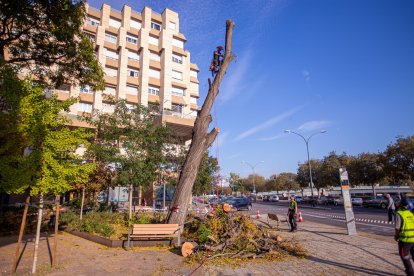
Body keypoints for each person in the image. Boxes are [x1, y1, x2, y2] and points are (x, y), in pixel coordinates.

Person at [395, 198, 414, 276]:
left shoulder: (399, 214)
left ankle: (410, 273)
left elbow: (397, 228)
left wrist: (396, 236)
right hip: (413, 239)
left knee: (405, 257)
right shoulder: (411, 213)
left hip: (405, 240)